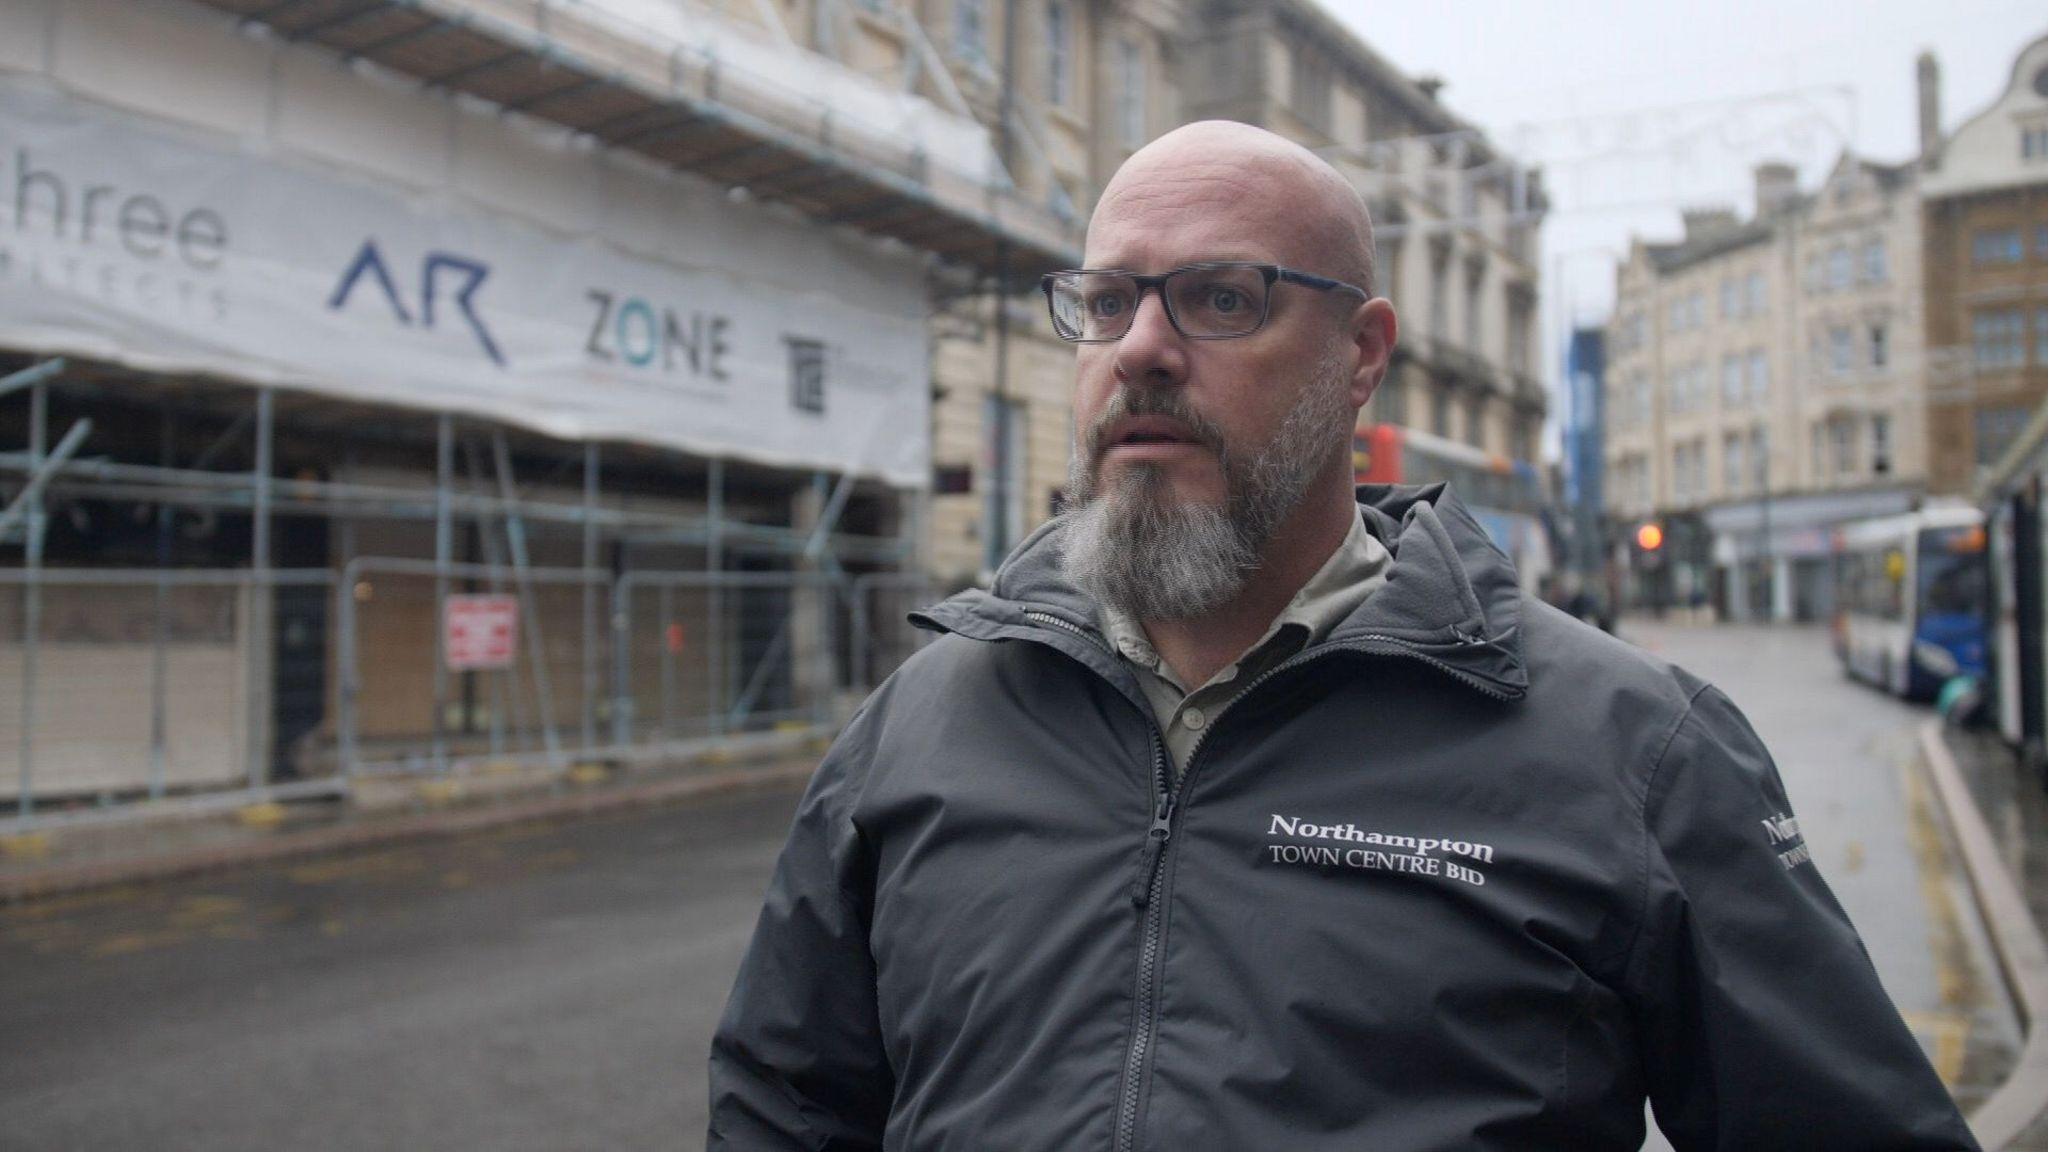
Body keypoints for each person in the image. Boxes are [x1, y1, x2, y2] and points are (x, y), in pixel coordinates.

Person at [707, 121, 1978, 1150]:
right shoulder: (920, 721)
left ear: (1358, 355)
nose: (1140, 350)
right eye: (1105, 302)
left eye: (1217, 298)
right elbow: (785, 1106)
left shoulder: (1634, 750)